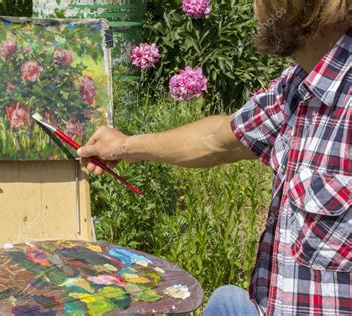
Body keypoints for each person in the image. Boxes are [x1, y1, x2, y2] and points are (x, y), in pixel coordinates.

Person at [77, 0, 351, 315]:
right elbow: (216, 141)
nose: (255, 7)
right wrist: (123, 146)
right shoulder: (300, 85)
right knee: (226, 302)